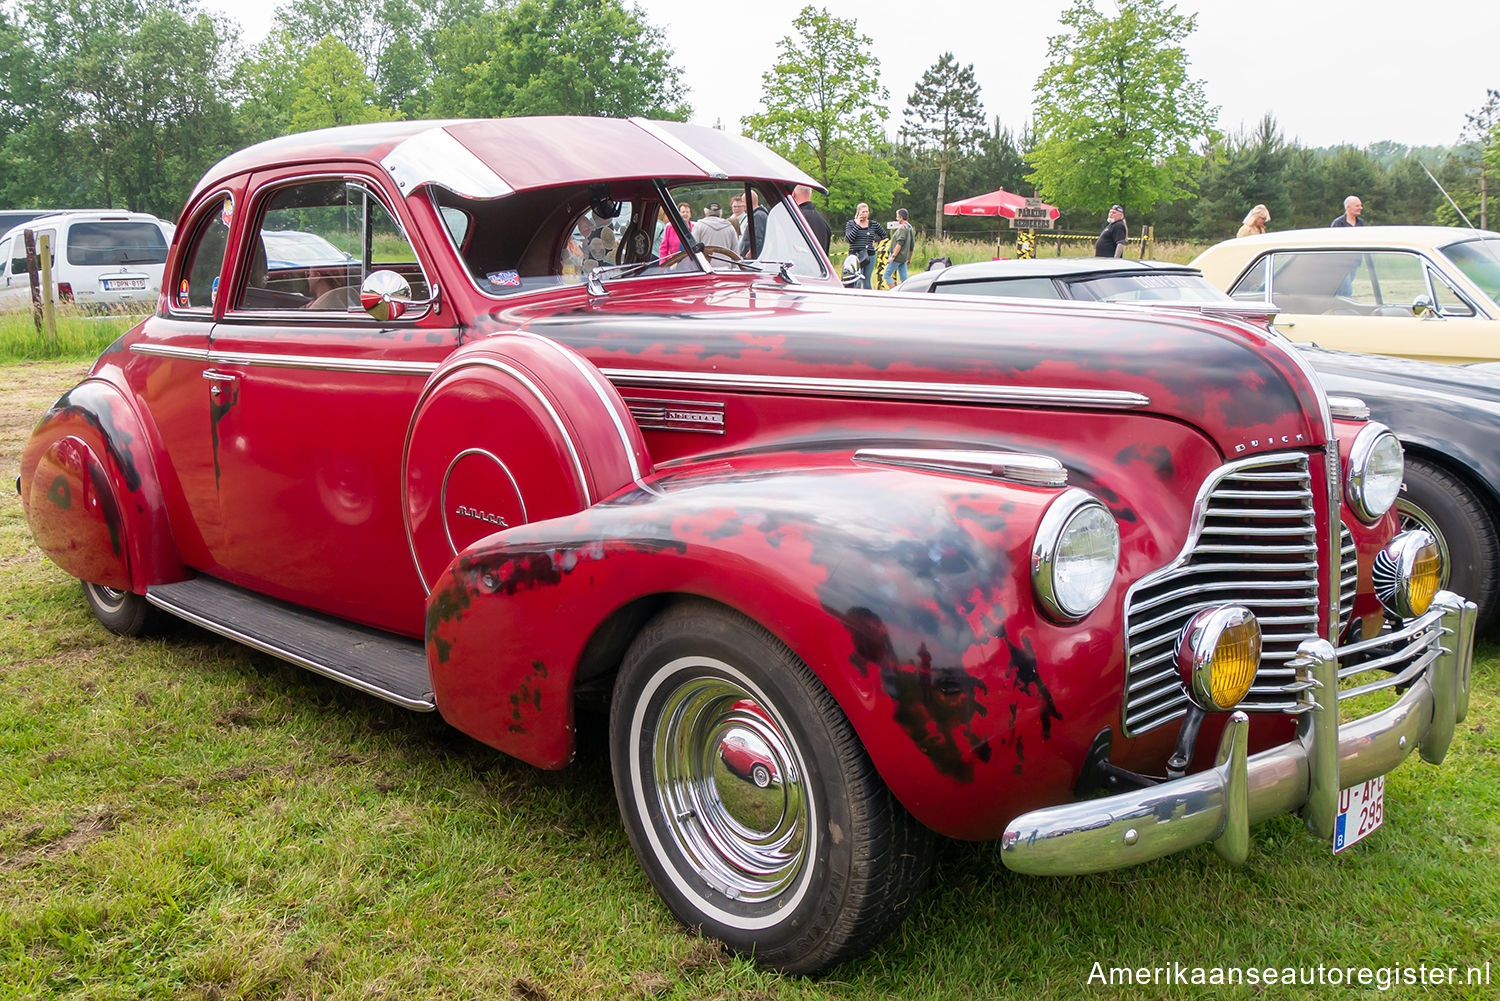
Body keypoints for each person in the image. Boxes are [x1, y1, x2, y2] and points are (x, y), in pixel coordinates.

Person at [844, 203, 886, 289]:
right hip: (855, 255)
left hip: (869, 255)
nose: (865, 214)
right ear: (858, 212)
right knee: (857, 281)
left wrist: (874, 239)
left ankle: (869, 299)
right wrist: (858, 225)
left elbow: (884, 234)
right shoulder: (851, 224)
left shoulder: (873, 224)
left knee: (867, 281)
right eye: (863, 212)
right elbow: (849, 239)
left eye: (867, 212)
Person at [793, 184, 831, 256]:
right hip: (818, 267)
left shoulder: (794, 218)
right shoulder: (823, 222)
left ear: (794, 193)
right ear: (810, 194)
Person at [882, 208, 914, 288]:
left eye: (897, 217)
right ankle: (906, 292)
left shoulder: (902, 228)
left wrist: (892, 257)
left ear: (901, 217)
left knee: (886, 275)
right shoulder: (910, 228)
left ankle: (895, 292)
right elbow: (911, 245)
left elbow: (899, 244)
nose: (896, 219)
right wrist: (909, 258)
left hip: (897, 257)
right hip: (904, 258)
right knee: (904, 279)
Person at [737, 191, 768, 257]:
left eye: (743, 202)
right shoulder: (757, 215)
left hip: (752, 260)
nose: (742, 205)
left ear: (748, 201)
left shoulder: (758, 216)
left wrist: (749, 255)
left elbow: (757, 239)